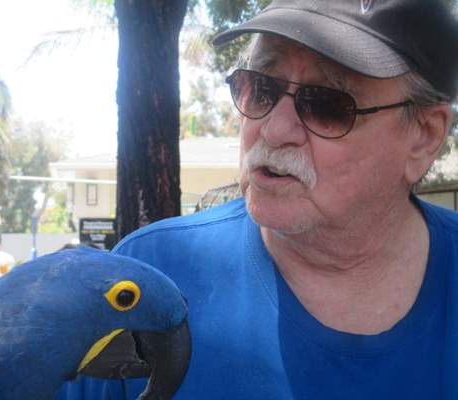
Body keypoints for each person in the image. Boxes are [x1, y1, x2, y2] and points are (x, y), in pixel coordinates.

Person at [57, 0, 458, 398]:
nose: (273, 129)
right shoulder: (146, 277)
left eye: (328, 104)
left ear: (424, 135)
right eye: (260, 88)